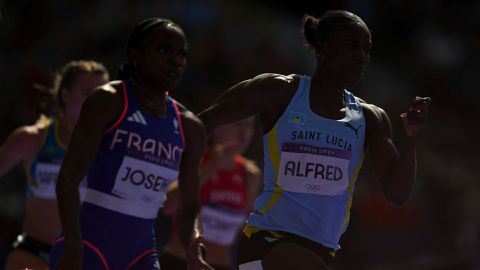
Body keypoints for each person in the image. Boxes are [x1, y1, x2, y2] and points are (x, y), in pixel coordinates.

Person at [197, 10, 431, 270]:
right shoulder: (279, 92)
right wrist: (184, 178)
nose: (361, 57)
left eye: (366, 50)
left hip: (322, 252)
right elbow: (199, 124)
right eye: (351, 46)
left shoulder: (370, 118)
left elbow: (397, 194)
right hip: (267, 243)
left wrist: (411, 139)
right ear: (322, 48)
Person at [48, 17, 212, 270]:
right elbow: (68, 178)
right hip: (88, 246)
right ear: (136, 55)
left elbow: (189, 205)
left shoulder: (190, 127)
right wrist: (73, 245)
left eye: (182, 54)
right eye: (163, 49)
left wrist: (194, 247)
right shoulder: (108, 100)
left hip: (141, 253)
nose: (176, 60)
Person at [0, 60, 109, 270]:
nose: (96, 102)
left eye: (102, 95)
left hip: (84, 257)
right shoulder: (31, 139)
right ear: (65, 94)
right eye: (87, 93)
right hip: (33, 251)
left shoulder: (112, 146)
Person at [160, 117, 261, 270]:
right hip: (180, 262)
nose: (244, 132)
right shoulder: (194, 160)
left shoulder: (250, 174)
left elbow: (245, 225)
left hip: (220, 265)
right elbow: (168, 205)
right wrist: (211, 167)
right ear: (218, 127)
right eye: (237, 123)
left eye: (249, 126)